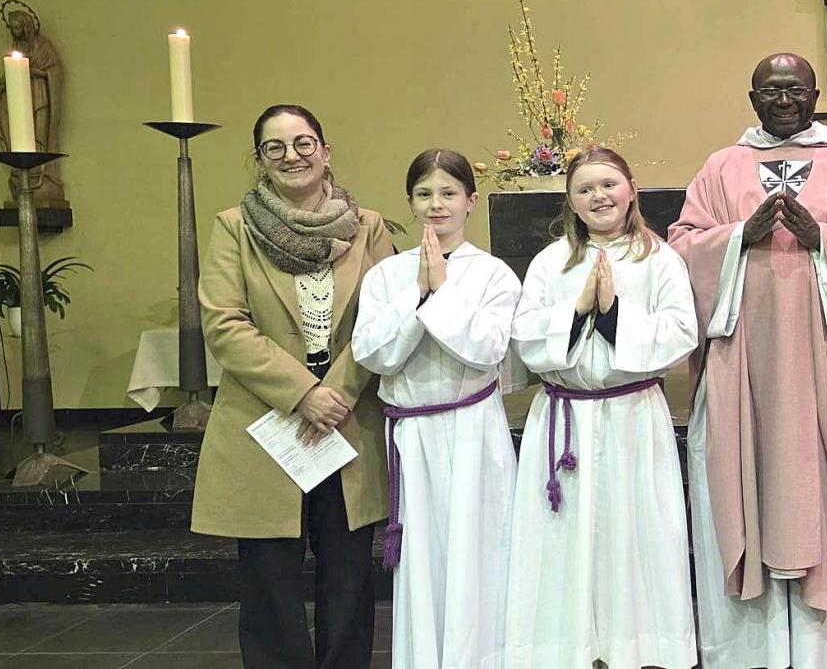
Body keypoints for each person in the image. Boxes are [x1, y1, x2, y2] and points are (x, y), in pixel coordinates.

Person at [668, 52, 827, 669]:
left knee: (826, 481)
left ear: (815, 94)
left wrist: (824, 238)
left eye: (795, 90)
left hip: (825, 367)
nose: (783, 100)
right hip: (742, 362)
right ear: (751, 98)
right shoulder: (721, 168)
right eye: (770, 91)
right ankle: (753, 649)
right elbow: (683, 244)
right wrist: (735, 239)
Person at [193, 104, 393, 668]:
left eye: (303, 143)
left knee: (350, 574)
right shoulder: (233, 227)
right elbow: (224, 323)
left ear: (326, 152)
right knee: (269, 578)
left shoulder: (369, 227)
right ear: (259, 159)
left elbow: (386, 321)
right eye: (274, 147)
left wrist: (339, 391)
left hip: (347, 418)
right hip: (265, 420)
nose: (292, 156)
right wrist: (302, 392)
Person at [505, 146, 700, 668]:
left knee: (636, 533)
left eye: (609, 184)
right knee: (563, 538)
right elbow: (524, 336)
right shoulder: (551, 262)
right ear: (570, 201)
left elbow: (682, 332)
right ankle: (564, 647)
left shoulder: (658, 258)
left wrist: (613, 315)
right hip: (564, 418)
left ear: (631, 189)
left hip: (631, 415)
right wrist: (577, 311)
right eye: (585, 189)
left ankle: (639, 646)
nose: (599, 196)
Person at [352, 148, 519, 669]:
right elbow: (373, 353)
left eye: (449, 193)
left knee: (480, 551)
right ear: (409, 202)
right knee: (422, 561)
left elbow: (489, 349)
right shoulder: (385, 277)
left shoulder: (493, 274)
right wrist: (416, 294)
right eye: (424, 194)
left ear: (471, 201)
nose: (436, 205)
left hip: (473, 427)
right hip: (413, 433)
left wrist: (440, 293)